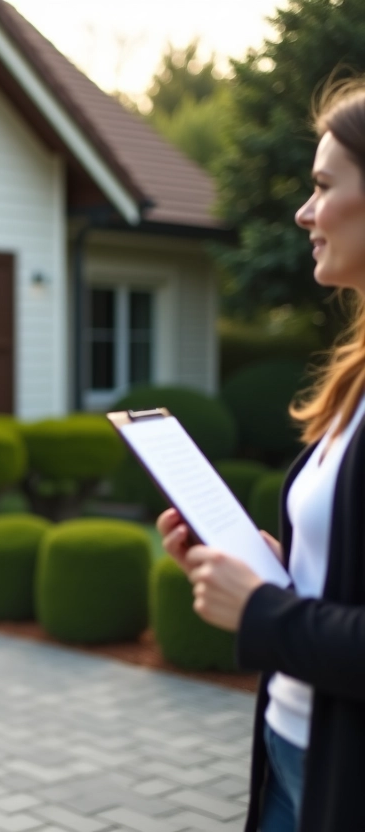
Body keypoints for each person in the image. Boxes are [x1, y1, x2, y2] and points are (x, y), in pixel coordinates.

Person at [157, 80, 365, 832]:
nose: (304, 212)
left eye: (323, 186)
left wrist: (259, 609)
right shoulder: (356, 378)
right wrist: (272, 564)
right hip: (289, 744)